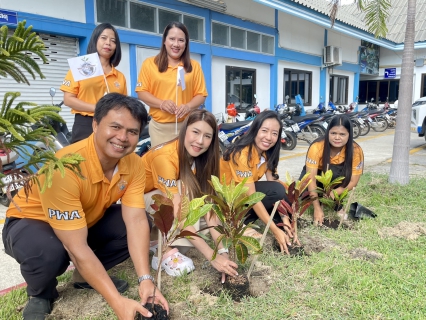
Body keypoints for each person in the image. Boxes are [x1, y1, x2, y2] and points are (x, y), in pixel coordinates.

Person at [2, 93, 168, 320]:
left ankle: (83, 277)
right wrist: (117, 302)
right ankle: (40, 293)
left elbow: (136, 220)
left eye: (132, 131)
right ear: (95, 124)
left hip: (82, 220)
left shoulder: (134, 164)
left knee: (136, 224)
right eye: (115, 127)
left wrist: (145, 279)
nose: (123, 137)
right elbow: (75, 247)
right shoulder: (68, 166)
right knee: (52, 251)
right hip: (29, 223)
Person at [142, 109, 238, 280]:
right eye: (195, 132)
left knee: (199, 204)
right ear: (184, 130)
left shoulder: (201, 158)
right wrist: (211, 256)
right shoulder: (165, 157)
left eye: (207, 136)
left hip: (163, 196)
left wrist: (222, 250)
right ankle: (162, 253)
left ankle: (159, 241)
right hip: (140, 199)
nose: (200, 141)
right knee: (184, 190)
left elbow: (209, 209)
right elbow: (179, 214)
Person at [220, 110, 294, 254]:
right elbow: (251, 196)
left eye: (274, 133)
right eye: (264, 131)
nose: (269, 137)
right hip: (227, 202)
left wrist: (286, 218)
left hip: (243, 198)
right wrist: (274, 231)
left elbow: (274, 184)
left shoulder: (267, 153)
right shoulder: (241, 154)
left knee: (280, 189)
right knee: (275, 191)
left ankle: (282, 227)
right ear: (255, 130)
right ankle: (237, 224)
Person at [136, 21, 208, 147]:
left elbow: (201, 94)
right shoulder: (149, 64)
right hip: (159, 128)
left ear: (186, 44)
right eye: (172, 39)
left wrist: (188, 106)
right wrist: (161, 103)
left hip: (187, 127)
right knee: (162, 164)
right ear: (164, 41)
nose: (176, 44)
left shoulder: (194, 66)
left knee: (185, 165)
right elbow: (141, 92)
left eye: (181, 40)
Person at [60, 23, 127, 143]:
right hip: (85, 124)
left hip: (112, 125)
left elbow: (122, 105)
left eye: (113, 40)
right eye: (104, 38)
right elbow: (68, 99)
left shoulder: (120, 77)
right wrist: (96, 108)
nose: (108, 43)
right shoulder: (80, 68)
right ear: (95, 40)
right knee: (83, 160)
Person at [301, 114, 364, 225]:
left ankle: (336, 205)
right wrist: (317, 208)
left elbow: (353, 181)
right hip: (318, 176)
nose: (337, 138)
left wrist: (335, 193)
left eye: (342, 134)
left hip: (335, 179)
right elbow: (311, 179)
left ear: (349, 135)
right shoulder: (316, 147)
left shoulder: (356, 150)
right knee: (303, 191)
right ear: (328, 133)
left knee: (335, 174)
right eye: (333, 133)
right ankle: (317, 201)